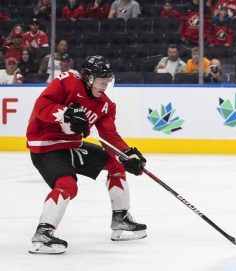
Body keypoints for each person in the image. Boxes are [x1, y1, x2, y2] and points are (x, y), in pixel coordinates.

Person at [27, 55, 147, 255]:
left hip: (74, 146)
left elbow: (109, 135)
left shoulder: (106, 105)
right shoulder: (67, 82)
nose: (104, 87)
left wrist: (126, 154)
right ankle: (43, 234)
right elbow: (42, 107)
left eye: (107, 82)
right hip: (47, 146)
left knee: (116, 166)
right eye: (101, 82)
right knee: (67, 186)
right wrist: (66, 113)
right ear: (89, 78)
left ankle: (120, 220)